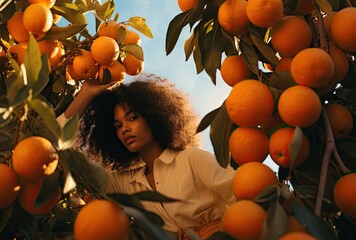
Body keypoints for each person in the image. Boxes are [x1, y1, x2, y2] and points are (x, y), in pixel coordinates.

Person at [57, 74, 236, 239]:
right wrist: (86, 93)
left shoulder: (191, 158)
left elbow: (245, 194)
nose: (124, 129)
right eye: (117, 126)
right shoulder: (125, 184)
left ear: (154, 116)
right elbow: (59, 147)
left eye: (132, 118)